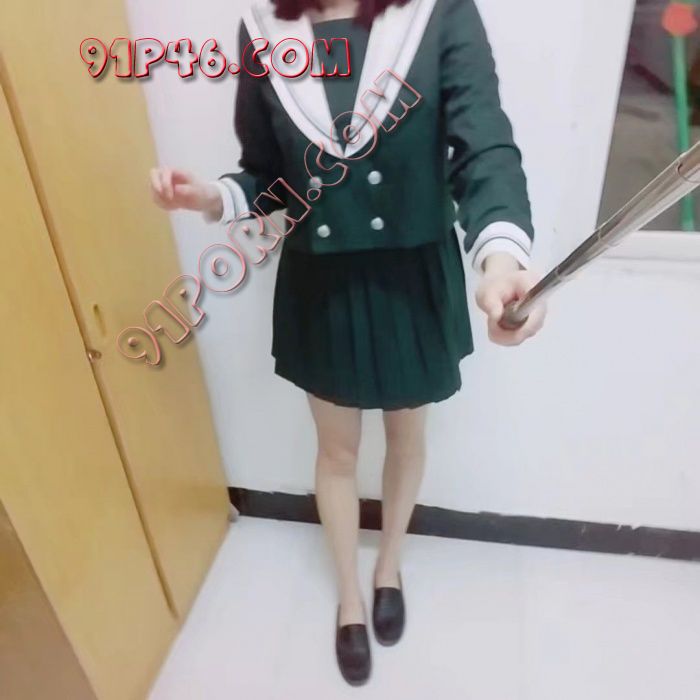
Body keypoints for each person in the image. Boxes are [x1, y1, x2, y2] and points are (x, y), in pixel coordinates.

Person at [150, 0, 546, 686]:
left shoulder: (438, 12)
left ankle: (389, 567)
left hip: (412, 271)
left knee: (406, 439)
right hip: (323, 279)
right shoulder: (262, 28)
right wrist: (210, 198)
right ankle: (350, 600)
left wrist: (502, 258)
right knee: (336, 452)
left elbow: (483, 144)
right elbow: (269, 175)